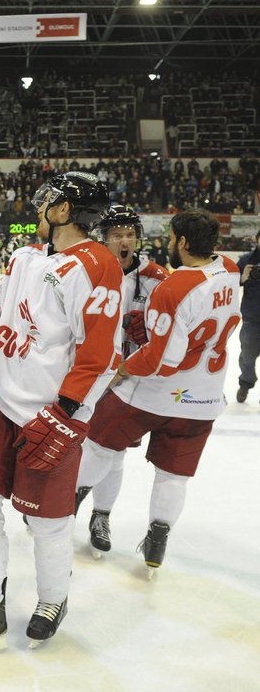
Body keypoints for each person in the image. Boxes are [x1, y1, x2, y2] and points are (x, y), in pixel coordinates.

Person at [0, 172, 120, 651]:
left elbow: (100, 353)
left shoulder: (96, 264)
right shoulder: (24, 257)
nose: (38, 212)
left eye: (47, 204)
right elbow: (3, 320)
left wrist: (65, 414)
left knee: (47, 520)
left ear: (63, 212)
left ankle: (52, 599)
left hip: (50, 413)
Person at [75, 210, 240, 575]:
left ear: (181, 242)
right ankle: (157, 544)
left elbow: (162, 360)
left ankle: (70, 503)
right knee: (173, 475)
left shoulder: (169, 284)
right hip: (205, 395)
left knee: (101, 443)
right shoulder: (229, 268)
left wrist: (124, 367)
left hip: (154, 390)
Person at [74, 204, 168, 555]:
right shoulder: (88, 269)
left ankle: (101, 515)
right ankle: (67, 500)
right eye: (117, 235)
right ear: (103, 238)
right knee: (80, 444)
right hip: (86, 372)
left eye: (130, 234)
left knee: (111, 452)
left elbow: (169, 333)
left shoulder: (158, 278)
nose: (125, 241)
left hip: (127, 379)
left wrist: (144, 337)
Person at [235, 230, 260, 403]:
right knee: (247, 357)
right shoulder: (246, 260)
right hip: (251, 319)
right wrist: (242, 278)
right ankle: (245, 383)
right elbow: (229, 283)